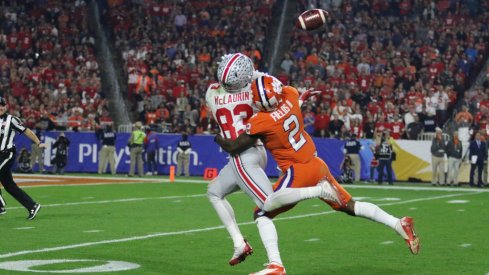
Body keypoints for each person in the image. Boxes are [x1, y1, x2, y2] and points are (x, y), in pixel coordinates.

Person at [215, 76, 420, 262]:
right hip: (316, 164)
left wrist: (218, 137)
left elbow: (234, 147)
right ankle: (398, 223)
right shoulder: (291, 95)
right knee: (351, 206)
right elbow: (287, 100)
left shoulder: (261, 120)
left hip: (298, 170)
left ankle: (276, 264)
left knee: (262, 213)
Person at [205, 53, 286, 275]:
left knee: (267, 207)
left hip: (242, 153)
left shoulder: (211, 92)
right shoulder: (253, 88)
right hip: (253, 150)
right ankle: (239, 243)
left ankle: (276, 264)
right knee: (214, 192)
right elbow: (273, 88)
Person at [0, 96, 44, 220]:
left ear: (6, 107)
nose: (0, 107)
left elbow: (26, 131)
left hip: (7, 153)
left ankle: (0, 206)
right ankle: (32, 206)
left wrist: (38, 142)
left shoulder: (11, 120)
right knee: (9, 185)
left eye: (2, 105)